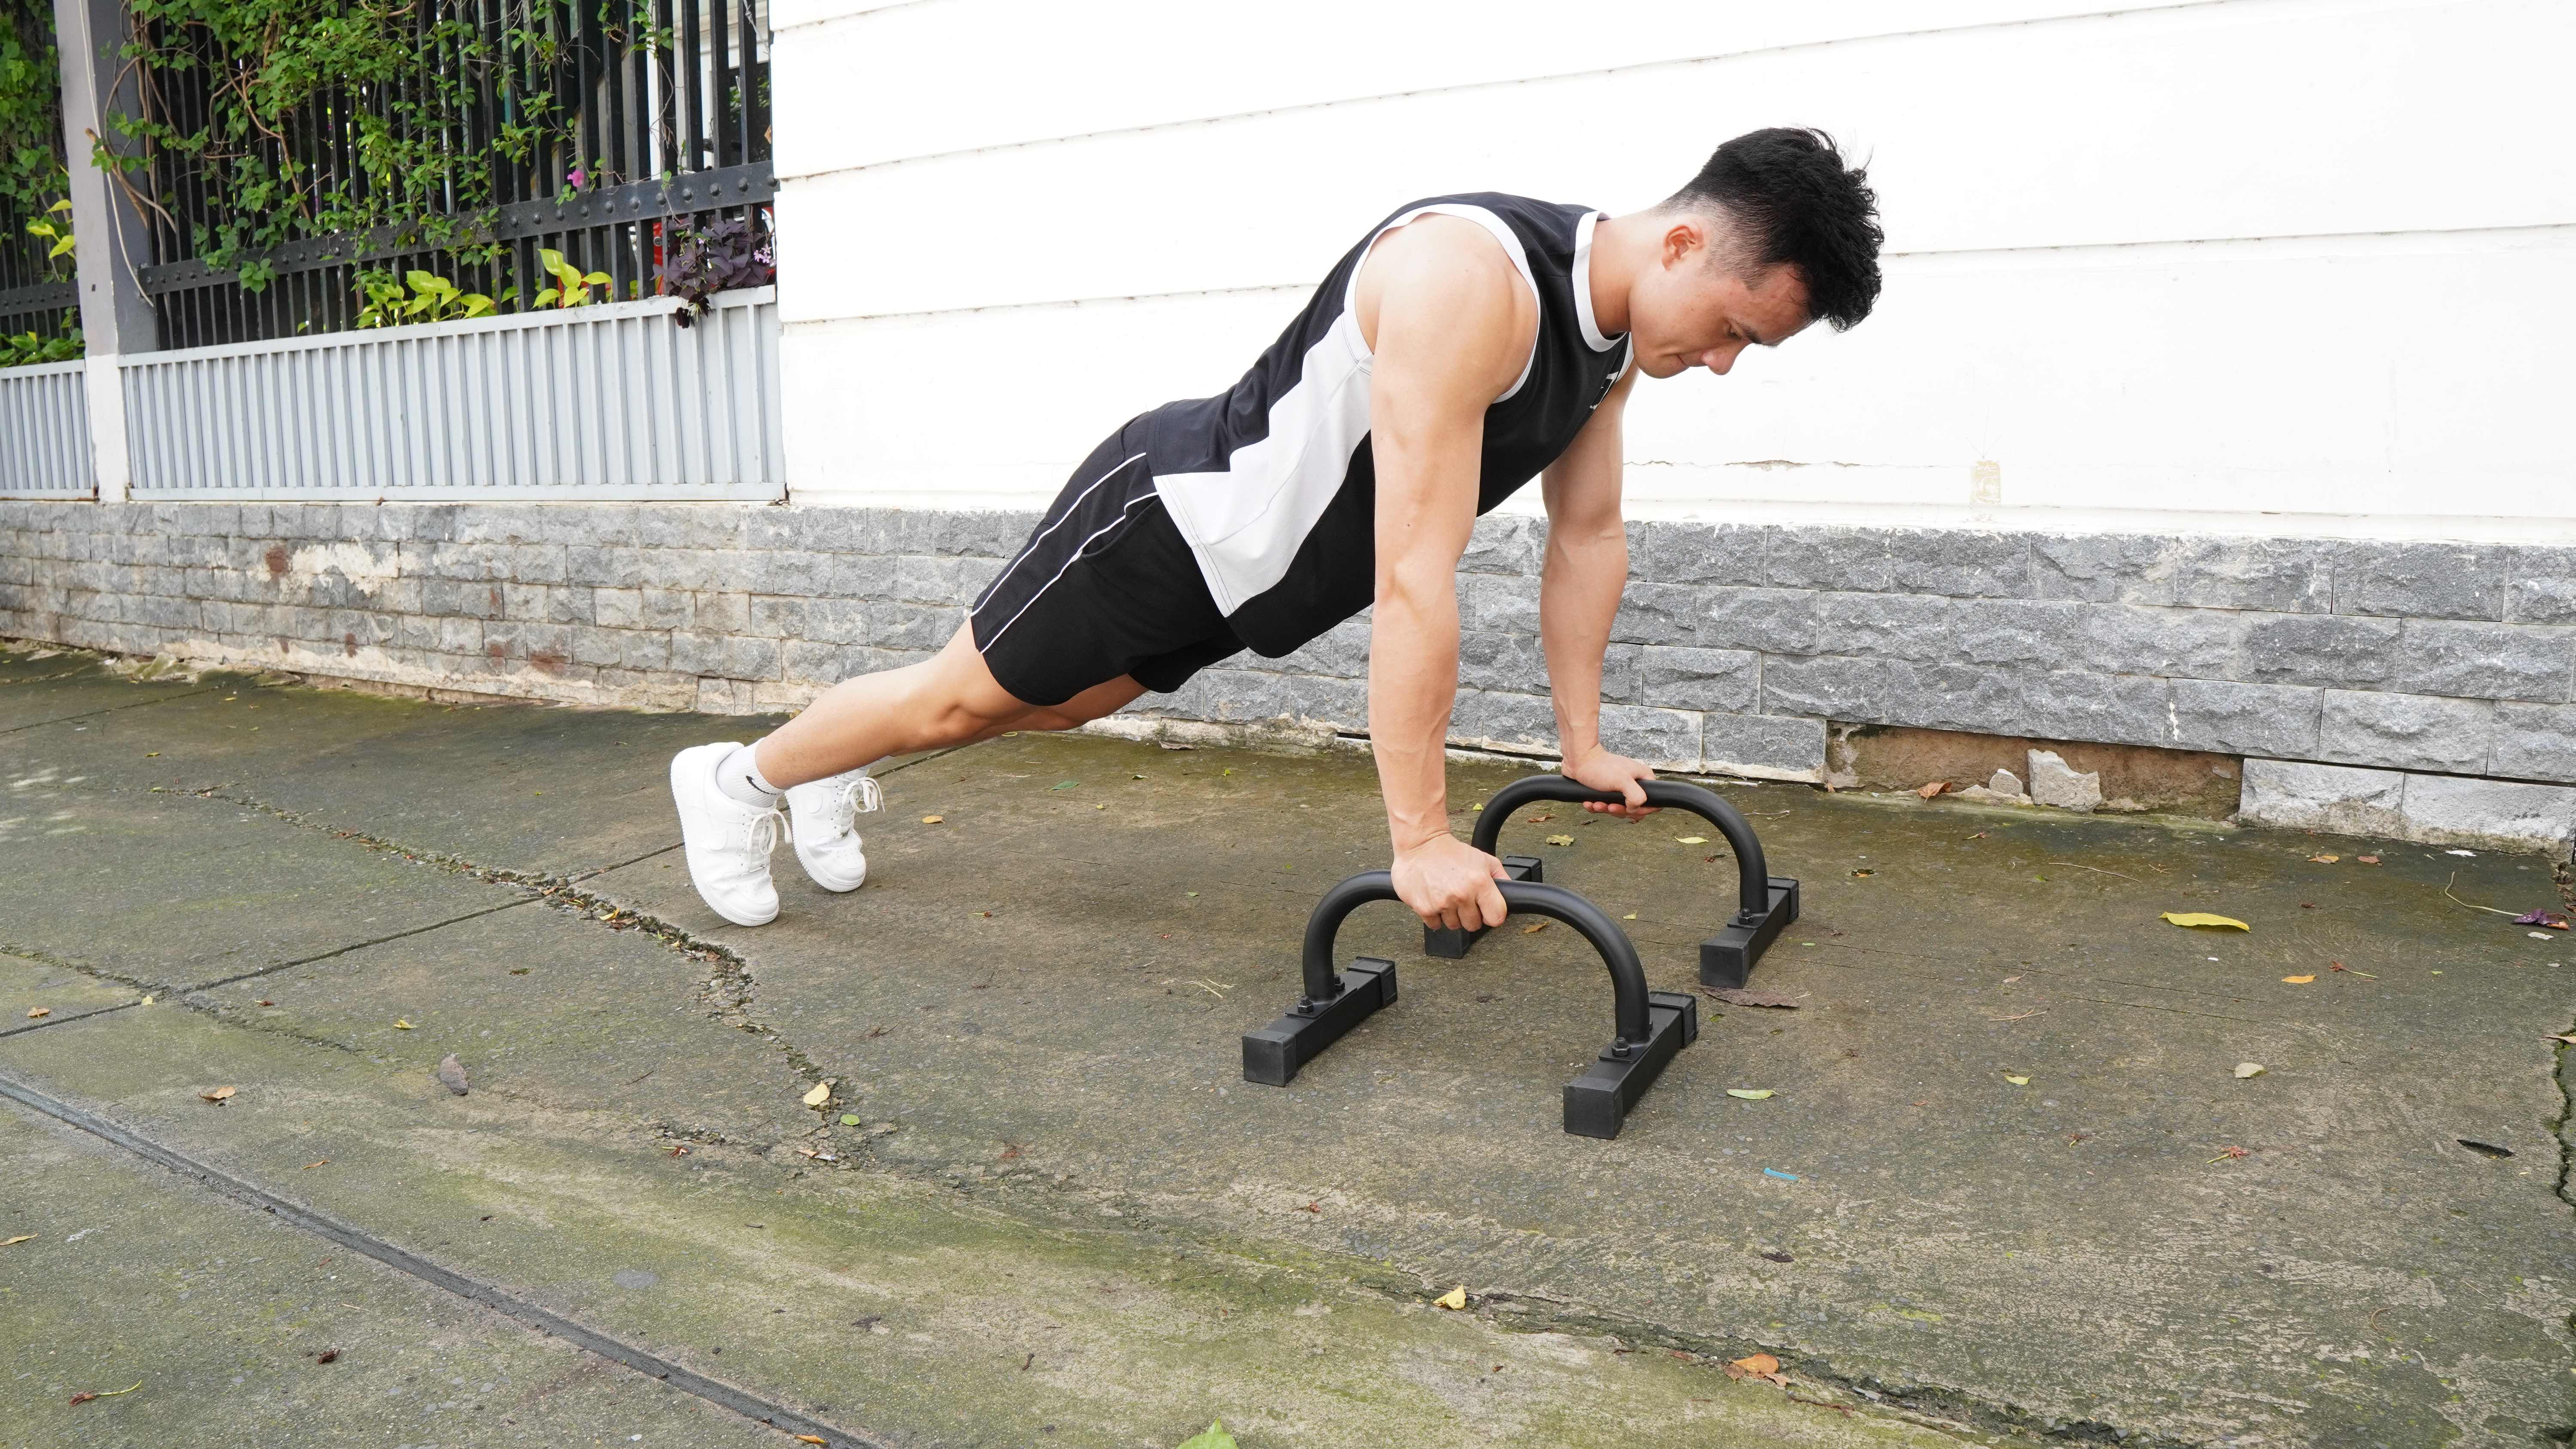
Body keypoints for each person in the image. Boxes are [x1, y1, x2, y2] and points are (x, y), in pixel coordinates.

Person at [669, 127, 1883, 934]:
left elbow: (1589, 536)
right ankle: (737, 779)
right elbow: (1417, 577)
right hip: (1173, 519)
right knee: (955, 701)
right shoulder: (1471, 282)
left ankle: (827, 765)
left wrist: (1583, 746)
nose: (1723, 363)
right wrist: (1418, 838)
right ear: (1683, 242)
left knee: (1050, 707)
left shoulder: (1613, 342)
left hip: (1245, 581)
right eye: (1734, 328)